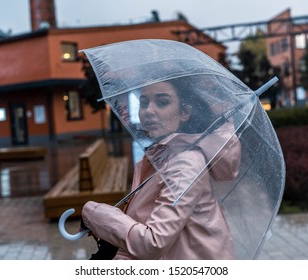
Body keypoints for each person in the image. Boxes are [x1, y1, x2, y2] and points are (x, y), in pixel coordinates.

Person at [81, 76, 241, 260]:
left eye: (162, 102)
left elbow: (152, 243)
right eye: (143, 103)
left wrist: (94, 214)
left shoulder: (185, 164)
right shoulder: (164, 155)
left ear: (185, 113)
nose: (148, 111)